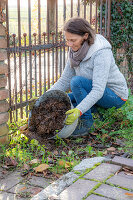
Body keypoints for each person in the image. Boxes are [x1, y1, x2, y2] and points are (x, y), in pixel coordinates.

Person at [50, 17, 128, 137]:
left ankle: (86, 122)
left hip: (115, 95)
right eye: (67, 40)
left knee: (76, 82)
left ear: (85, 36)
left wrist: (79, 111)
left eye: (73, 40)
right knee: (63, 101)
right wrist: (46, 97)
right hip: (94, 91)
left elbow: (98, 90)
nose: (69, 44)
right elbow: (64, 81)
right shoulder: (75, 52)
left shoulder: (101, 53)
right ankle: (95, 110)